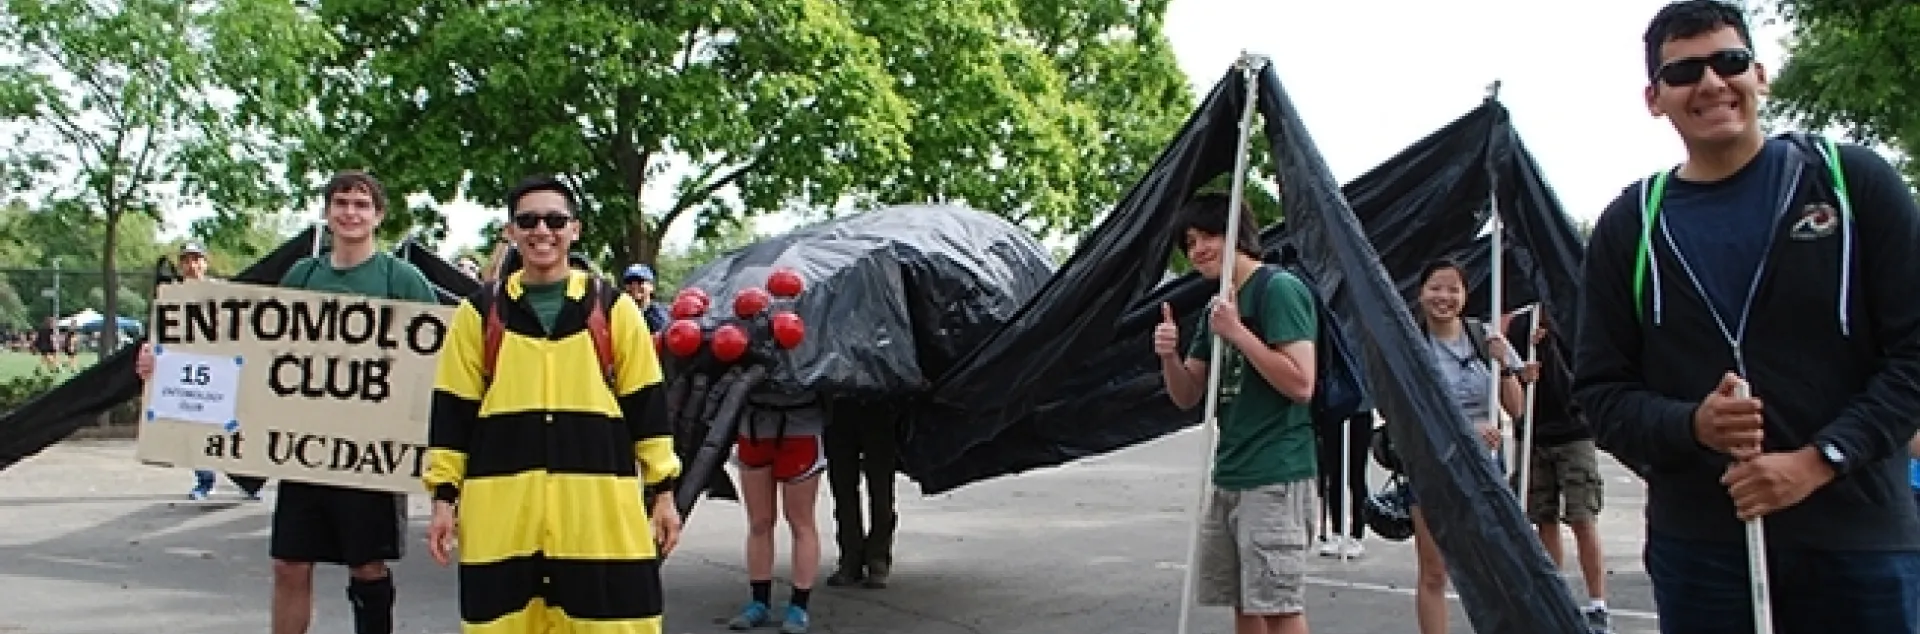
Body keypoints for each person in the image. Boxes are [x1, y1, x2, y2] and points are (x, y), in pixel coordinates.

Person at [1573, 2, 1920, 632]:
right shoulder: (1629, 226)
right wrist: (1693, 426)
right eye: (1684, 73)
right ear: (1655, 98)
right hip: (1703, 549)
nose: (1710, 83)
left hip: (1858, 543)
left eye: (1728, 62)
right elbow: (1600, 394)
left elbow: (1915, 356)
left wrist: (1820, 460)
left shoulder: (1853, 184)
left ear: (1760, 75)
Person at [139, 170, 442, 634]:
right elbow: (254, 349)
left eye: (361, 204)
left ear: (378, 215)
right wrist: (166, 360)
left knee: (367, 568)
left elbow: (434, 359)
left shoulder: (401, 279)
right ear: (327, 212)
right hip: (303, 452)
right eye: (341, 203)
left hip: (372, 455)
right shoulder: (302, 275)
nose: (350, 212)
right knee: (289, 563)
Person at [423, 175, 683, 634]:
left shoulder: (613, 309)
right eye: (528, 220)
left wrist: (663, 492)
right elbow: (452, 413)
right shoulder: (481, 313)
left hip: (597, 512)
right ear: (510, 232)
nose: (542, 230)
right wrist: (443, 498)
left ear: (574, 229)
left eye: (555, 219)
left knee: (613, 623)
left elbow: (648, 408)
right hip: (503, 513)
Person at [1154, 193, 1318, 634]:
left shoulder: (1278, 289)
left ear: (1238, 234)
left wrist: (1237, 333)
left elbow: (1302, 383)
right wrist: (1169, 356)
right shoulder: (1219, 306)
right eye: (1190, 242)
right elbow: (1188, 394)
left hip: (1275, 472)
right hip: (1230, 472)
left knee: (1279, 606)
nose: (1199, 249)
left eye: (1209, 235)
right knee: (1244, 604)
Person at [1404, 259, 1526, 634]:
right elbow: (1408, 413)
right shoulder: (1409, 343)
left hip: (1485, 470)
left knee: (1494, 568)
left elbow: (1517, 407)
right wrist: (1467, 431)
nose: (1444, 297)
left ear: (1466, 295)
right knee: (1435, 571)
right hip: (1431, 468)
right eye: (1435, 288)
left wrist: (1503, 364)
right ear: (1421, 293)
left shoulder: (1483, 336)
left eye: (1453, 289)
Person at [1501, 305, 1611, 630]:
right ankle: (1556, 597)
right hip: (1533, 434)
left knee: (1582, 517)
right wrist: (1521, 373)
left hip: (1573, 432)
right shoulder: (1520, 324)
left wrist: (1548, 348)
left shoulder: (1574, 318)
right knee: (1542, 518)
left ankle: (1597, 604)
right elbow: (1509, 386)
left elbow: (1576, 385)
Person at [170, 242, 266, 502]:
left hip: (221, 367)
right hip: (189, 369)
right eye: (186, 260)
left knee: (232, 425)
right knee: (195, 426)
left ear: (205, 262)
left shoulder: (219, 292)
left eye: (196, 259)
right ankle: (205, 480)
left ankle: (248, 480)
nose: (192, 265)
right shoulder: (171, 295)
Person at [726, 398, 829, 632]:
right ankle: (759, 602)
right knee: (759, 522)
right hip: (754, 425)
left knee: (800, 520)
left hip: (801, 423)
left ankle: (799, 605)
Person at [823, 397, 902, 590]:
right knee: (843, 491)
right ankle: (852, 558)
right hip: (839, 407)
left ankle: (877, 558)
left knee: (880, 490)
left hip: (878, 407)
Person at [1316, 404, 1372, 559]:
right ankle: (1337, 532)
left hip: (1360, 410)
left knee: (1356, 476)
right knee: (1335, 475)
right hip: (1333, 409)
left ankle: (1357, 535)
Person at [621, 263, 670, 333]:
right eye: (629, 282)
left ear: (651, 287)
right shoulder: (621, 314)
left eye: (640, 281)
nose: (634, 286)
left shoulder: (658, 316)